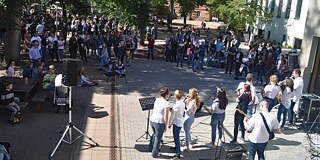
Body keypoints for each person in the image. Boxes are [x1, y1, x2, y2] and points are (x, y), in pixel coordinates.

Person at [149, 87, 170, 158]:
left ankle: (150, 148)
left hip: (152, 120)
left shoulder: (157, 100)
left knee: (154, 135)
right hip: (159, 122)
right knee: (158, 139)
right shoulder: (166, 103)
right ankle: (154, 154)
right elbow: (166, 116)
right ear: (166, 94)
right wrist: (165, 126)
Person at [168, 90, 185, 159]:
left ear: (175, 96)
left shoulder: (176, 106)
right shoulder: (182, 103)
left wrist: (169, 124)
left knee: (176, 138)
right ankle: (176, 147)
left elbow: (172, 116)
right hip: (180, 122)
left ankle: (178, 154)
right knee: (176, 137)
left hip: (176, 123)